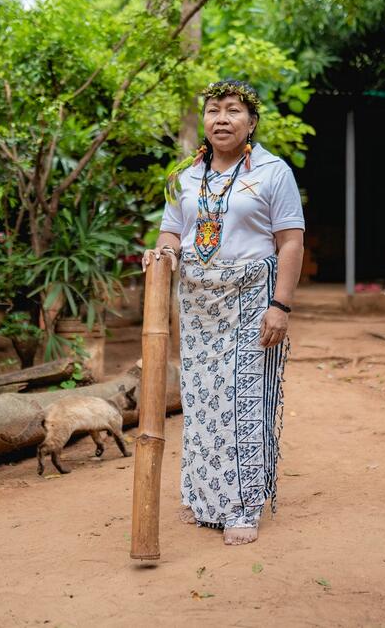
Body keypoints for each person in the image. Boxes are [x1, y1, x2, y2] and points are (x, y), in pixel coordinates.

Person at [143, 79, 305, 546]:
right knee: (200, 398)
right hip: (196, 303)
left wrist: (281, 304)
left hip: (253, 296)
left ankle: (241, 506)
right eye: (214, 110)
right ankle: (203, 496)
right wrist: (165, 255)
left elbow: (290, 241)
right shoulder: (183, 178)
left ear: (251, 122)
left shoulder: (273, 172)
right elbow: (171, 233)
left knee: (243, 399)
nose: (221, 118)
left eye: (233, 110)